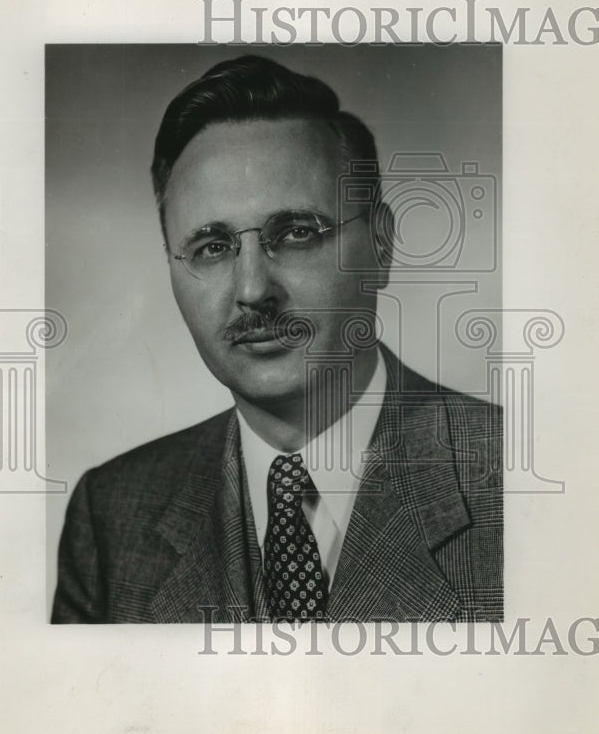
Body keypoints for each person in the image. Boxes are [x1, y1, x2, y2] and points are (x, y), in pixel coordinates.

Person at [52, 54, 502, 624]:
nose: (252, 290)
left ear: (382, 247)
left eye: (295, 233)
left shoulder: (521, 488)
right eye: (211, 247)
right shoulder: (111, 516)